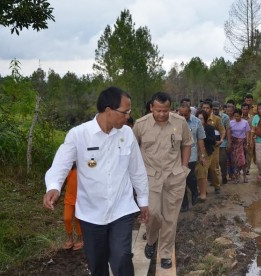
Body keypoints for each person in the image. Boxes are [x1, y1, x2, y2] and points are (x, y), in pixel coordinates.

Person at [43, 86, 149, 276]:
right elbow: (61, 163)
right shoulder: (78, 134)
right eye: (125, 112)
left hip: (121, 209)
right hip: (91, 214)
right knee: (97, 265)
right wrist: (54, 186)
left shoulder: (126, 134)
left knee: (122, 257)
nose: (128, 117)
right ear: (108, 111)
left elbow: (137, 170)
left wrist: (143, 201)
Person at [132, 92, 193, 269]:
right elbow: (132, 148)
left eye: (165, 110)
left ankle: (165, 252)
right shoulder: (140, 125)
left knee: (170, 218)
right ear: (151, 107)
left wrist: (183, 168)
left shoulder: (179, 122)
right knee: (153, 214)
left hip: (174, 177)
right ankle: (151, 240)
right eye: (158, 110)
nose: (162, 114)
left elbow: (187, 143)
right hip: (150, 178)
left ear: (170, 108)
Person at [177, 102, 206, 212]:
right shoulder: (173, 122)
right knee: (180, 179)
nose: (183, 117)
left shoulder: (196, 122)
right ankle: (184, 203)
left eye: (186, 115)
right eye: (181, 114)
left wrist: (202, 155)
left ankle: (194, 191)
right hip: (177, 154)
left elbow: (200, 139)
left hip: (192, 154)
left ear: (190, 112)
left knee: (190, 177)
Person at [202, 100, 225, 193]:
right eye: (203, 108)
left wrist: (221, 140)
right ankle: (203, 189)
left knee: (214, 168)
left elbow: (222, 130)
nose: (205, 109)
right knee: (203, 169)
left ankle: (217, 186)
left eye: (207, 108)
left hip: (214, 147)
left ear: (211, 109)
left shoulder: (216, 119)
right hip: (203, 147)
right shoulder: (198, 118)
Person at [195, 110, 216, 201]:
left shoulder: (209, 128)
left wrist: (202, 134)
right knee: (197, 172)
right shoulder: (193, 127)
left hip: (206, 152)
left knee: (203, 171)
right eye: (198, 119)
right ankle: (202, 190)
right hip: (195, 152)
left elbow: (213, 141)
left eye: (202, 119)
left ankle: (203, 193)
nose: (200, 121)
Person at [62, 162, 83, 251]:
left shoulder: (83, 169)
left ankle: (80, 239)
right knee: (67, 218)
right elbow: (63, 183)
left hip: (80, 199)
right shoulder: (68, 170)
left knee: (78, 219)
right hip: (69, 198)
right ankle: (70, 238)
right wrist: (57, 194)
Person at [227, 108, 251, 183]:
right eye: (235, 116)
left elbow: (247, 132)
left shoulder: (245, 122)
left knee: (243, 161)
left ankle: (244, 176)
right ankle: (236, 177)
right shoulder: (231, 123)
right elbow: (229, 132)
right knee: (235, 161)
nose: (236, 118)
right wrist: (230, 142)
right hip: (234, 144)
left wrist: (247, 142)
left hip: (242, 143)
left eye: (238, 116)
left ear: (241, 115)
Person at [214, 101, 231, 185]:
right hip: (212, 143)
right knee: (213, 163)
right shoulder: (208, 117)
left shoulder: (225, 117)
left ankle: (224, 176)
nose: (215, 111)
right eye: (213, 109)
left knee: (223, 161)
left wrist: (229, 142)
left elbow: (227, 130)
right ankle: (214, 179)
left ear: (220, 108)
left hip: (222, 143)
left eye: (216, 109)